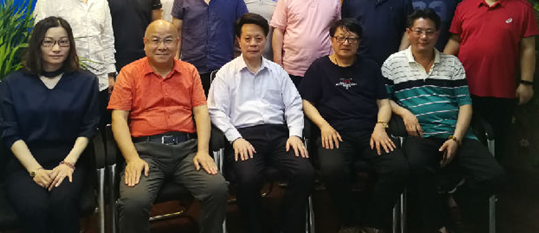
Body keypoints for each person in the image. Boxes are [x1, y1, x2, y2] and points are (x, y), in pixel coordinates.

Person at [382, 9, 505, 233]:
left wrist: (456, 139)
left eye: (430, 32)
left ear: (437, 34)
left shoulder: (452, 63)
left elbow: (465, 104)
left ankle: (459, 198)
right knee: (417, 167)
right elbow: (383, 100)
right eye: (418, 31)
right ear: (409, 33)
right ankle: (437, 225)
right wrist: (404, 113)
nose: (424, 37)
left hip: (456, 132)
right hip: (420, 133)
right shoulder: (393, 63)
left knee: (495, 176)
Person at [108, 19, 227, 233]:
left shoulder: (189, 71)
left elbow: (201, 112)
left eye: (168, 41)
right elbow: (118, 118)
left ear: (177, 43)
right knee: (134, 203)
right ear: (145, 43)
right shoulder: (129, 73)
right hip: (146, 153)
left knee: (217, 189)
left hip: (187, 152)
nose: (162, 46)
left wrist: (202, 150)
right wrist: (132, 158)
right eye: (155, 40)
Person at [208, 13, 314, 233]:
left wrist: (295, 134)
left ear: (266, 40)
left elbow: (294, 104)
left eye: (258, 38)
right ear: (238, 41)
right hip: (244, 137)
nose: (253, 43)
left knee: (305, 173)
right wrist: (235, 139)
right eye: (247, 38)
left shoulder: (278, 72)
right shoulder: (226, 74)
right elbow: (216, 111)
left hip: (279, 136)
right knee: (248, 178)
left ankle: (285, 225)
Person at [300, 18, 409, 233]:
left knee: (398, 168)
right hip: (334, 132)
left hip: (370, 132)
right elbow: (306, 102)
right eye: (341, 38)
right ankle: (349, 220)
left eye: (351, 38)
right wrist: (323, 126)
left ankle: (373, 220)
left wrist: (380, 126)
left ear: (359, 42)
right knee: (332, 170)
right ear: (332, 40)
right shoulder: (319, 67)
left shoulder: (370, 67)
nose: (346, 43)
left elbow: (383, 102)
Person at [0, 16, 100, 233]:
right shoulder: (11, 84)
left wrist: (68, 163)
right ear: (37, 44)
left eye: (63, 42)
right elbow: (10, 132)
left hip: (69, 160)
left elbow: (88, 128)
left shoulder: (86, 82)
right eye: (48, 42)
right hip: (24, 163)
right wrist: (35, 170)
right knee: (34, 207)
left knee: (62, 203)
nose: (56, 48)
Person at [444, 0, 538, 158]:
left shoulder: (522, 8)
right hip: (464, 87)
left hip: (501, 89)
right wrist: (439, 73)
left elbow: (528, 48)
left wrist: (526, 83)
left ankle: (493, 176)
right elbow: (455, 41)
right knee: (461, 138)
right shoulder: (464, 7)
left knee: (497, 141)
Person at [34, 0, 115, 126]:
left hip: (99, 81)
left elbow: (107, 38)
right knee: (67, 130)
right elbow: (39, 43)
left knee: (96, 129)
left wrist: (110, 74)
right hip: (63, 81)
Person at [172, 0, 247, 93]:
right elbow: (176, 33)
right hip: (190, 69)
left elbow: (244, 32)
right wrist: (174, 65)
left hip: (225, 70)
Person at [270, 0, 341, 86]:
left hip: (324, 68)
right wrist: (278, 63)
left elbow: (337, 32)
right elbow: (278, 30)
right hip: (291, 69)